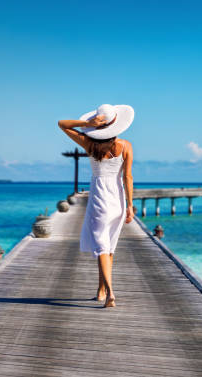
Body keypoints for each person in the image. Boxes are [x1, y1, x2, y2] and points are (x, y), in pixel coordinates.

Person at [58, 104, 135, 308]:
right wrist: (130, 205)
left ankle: (110, 292)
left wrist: (86, 123)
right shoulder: (126, 146)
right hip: (117, 198)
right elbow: (127, 177)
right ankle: (101, 290)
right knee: (108, 248)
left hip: (100, 197)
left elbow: (62, 124)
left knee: (102, 246)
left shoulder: (88, 144)